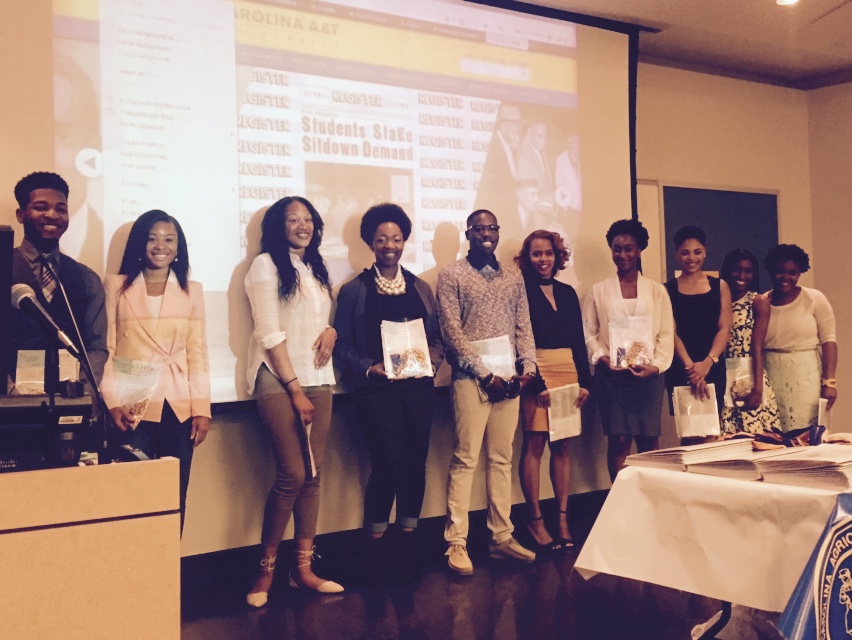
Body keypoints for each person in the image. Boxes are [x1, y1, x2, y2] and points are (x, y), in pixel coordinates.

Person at [333, 203, 444, 582]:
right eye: (382, 239)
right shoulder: (354, 291)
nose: (389, 246)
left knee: (416, 464)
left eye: (396, 239)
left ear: (404, 242)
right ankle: (376, 552)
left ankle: (407, 547)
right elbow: (342, 344)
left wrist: (430, 362)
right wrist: (369, 367)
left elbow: (437, 338)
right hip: (376, 393)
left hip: (419, 390)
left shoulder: (421, 288)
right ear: (370, 243)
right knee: (387, 465)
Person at [244, 196, 343, 607]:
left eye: (307, 219)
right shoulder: (265, 265)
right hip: (278, 377)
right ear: (277, 226)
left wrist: (332, 330)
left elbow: (317, 319)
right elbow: (268, 331)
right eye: (293, 219)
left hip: (319, 377)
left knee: (313, 475)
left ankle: (303, 571)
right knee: (293, 475)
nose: (302, 225)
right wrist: (295, 389)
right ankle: (264, 572)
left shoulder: (316, 266)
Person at [436, 209, 538, 576]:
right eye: (478, 229)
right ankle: (456, 542)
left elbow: (523, 325)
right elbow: (451, 332)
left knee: (501, 459)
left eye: (492, 228)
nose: (486, 234)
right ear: (468, 234)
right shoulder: (451, 275)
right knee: (465, 459)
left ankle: (501, 537)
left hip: (509, 381)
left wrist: (528, 369)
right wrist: (484, 374)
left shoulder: (513, 275)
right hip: (471, 381)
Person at [100, 210, 211, 530]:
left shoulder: (192, 289)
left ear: (178, 247)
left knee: (174, 494)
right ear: (139, 243)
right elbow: (107, 348)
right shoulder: (116, 286)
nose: (160, 246)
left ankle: (168, 560)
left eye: (169, 239)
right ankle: (137, 560)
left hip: (178, 404)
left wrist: (202, 408)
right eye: (152, 238)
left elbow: (198, 351)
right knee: (135, 493)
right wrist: (112, 402)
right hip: (131, 402)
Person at [515, 230, 591, 552]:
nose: (543, 259)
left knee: (562, 447)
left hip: (568, 371)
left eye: (548, 253)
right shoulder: (520, 290)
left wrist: (585, 382)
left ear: (557, 256)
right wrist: (536, 382)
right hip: (536, 372)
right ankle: (534, 520)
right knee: (534, 445)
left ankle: (561, 520)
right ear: (527, 258)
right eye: (536, 254)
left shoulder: (568, 292)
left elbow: (578, 340)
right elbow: (519, 339)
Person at [582, 219, 674, 480]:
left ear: (639, 250)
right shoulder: (598, 291)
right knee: (619, 439)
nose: (622, 255)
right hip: (611, 376)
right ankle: (620, 497)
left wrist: (656, 366)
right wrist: (602, 359)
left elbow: (666, 332)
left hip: (649, 376)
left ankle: (649, 496)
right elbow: (589, 332)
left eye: (628, 249)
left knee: (648, 439)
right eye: (617, 249)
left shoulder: (656, 291)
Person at [9, 172, 108, 390]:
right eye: (41, 207)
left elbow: (96, 346)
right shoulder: (4, 268)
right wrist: (9, 393)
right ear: (21, 214)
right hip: (9, 400)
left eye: (61, 209)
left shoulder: (87, 279)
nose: (52, 215)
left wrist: (82, 393)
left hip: (70, 400)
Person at [664, 226, 732, 444]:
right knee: (689, 434)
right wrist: (692, 369)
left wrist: (707, 363)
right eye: (685, 252)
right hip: (682, 368)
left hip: (713, 366)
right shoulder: (667, 289)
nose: (691, 258)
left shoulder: (720, 286)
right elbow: (671, 332)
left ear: (705, 253)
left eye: (697, 252)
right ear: (676, 255)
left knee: (711, 433)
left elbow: (724, 328)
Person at [763, 244, 837, 432]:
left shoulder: (814, 298)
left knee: (807, 433)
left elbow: (829, 340)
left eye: (792, 272)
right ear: (771, 271)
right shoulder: (762, 302)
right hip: (770, 375)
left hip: (806, 377)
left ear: (800, 273)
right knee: (774, 434)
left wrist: (829, 382)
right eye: (780, 271)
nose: (785, 277)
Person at [718, 249, 781, 435]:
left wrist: (758, 389)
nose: (742, 276)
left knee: (754, 436)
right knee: (725, 438)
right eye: (737, 270)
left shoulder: (757, 301)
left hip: (748, 376)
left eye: (748, 271)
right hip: (722, 376)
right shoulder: (718, 300)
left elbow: (757, 347)